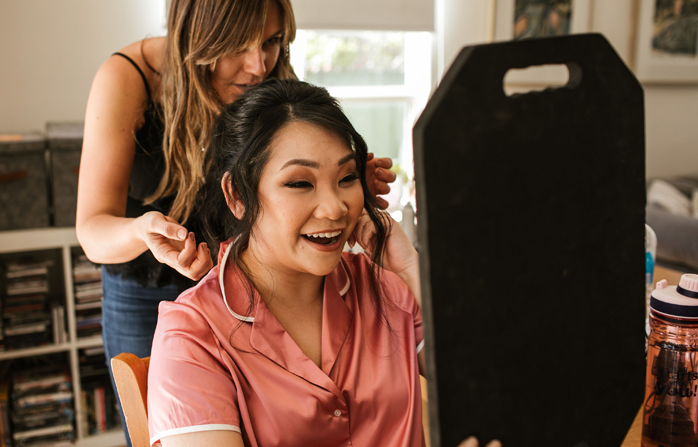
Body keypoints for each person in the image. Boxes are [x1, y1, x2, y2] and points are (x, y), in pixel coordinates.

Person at [75, 0, 395, 445]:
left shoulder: (271, 76)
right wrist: (143, 228)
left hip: (244, 288)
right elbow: (93, 232)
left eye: (270, 42)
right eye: (236, 46)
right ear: (196, 35)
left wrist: (343, 183)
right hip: (146, 290)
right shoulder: (129, 79)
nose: (257, 66)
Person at [147, 79, 499, 447]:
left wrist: (411, 269)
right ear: (237, 195)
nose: (335, 208)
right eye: (300, 183)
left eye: (347, 178)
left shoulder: (388, 286)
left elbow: (489, 393)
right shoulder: (192, 335)